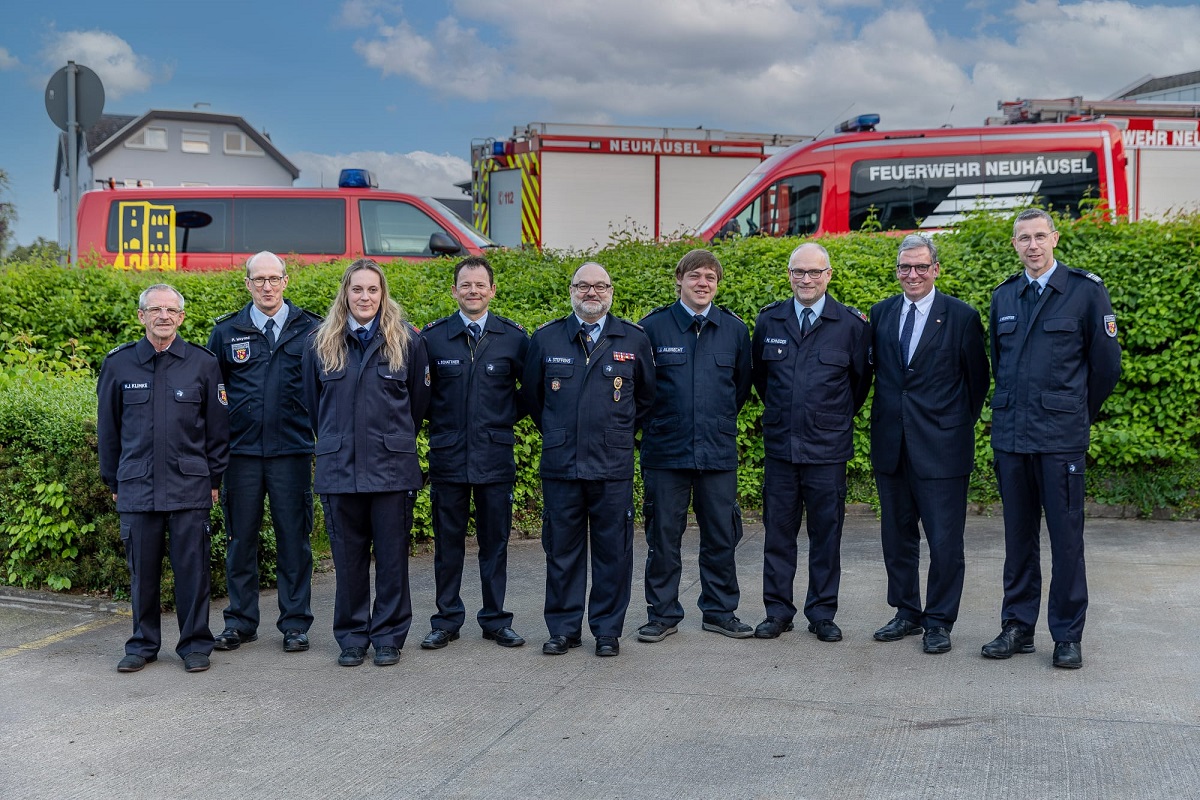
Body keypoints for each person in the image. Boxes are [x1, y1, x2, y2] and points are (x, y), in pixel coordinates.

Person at [983, 208, 1121, 669]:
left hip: (1061, 440)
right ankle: (1018, 627)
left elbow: (1106, 367)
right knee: (1018, 539)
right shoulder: (1004, 296)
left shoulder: (1085, 291)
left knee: (1066, 540)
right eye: (1024, 238)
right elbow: (996, 362)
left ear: (1055, 238)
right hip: (1012, 438)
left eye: (1040, 236)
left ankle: (1066, 634)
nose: (1033, 245)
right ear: (1014, 244)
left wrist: (1077, 413)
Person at [522, 262, 655, 657]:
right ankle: (563, 629)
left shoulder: (633, 338)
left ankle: (607, 631)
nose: (591, 292)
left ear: (611, 291)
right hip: (562, 465)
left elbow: (647, 399)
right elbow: (533, 399)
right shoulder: (546, 339)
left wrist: (617, 433)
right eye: (583, 286)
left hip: (612, 464)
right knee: (562, 550)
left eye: (599, 286)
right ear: (571, 291)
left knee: (613, 551)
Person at [302, 259, 430, 667]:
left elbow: (417, 405)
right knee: (348, 560)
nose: (365, 297)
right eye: (357, 289)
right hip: (339, 469)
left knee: (392, 559)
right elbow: (312, 406)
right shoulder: (320, 343)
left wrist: (390, 441)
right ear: (345, 293)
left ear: (382, 294)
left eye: (372, 290)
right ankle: (353, 636)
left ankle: (389, 636)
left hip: (391, 470)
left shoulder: (407, 342)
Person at [97, 284, 230, 673]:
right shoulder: (119, 364)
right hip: (136, 485)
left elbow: (218, 430)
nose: (164, 316)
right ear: (141, 316)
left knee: (193, 570)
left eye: (171, 310)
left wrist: (214, 478)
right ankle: (142, 644)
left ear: (182, 317)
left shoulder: (203, 363)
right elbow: (110, 431)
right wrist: (115, 483)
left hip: (190, 484)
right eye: (155, 309)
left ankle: (194, 646)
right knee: (143, 573)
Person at [869, 234, 990, 654]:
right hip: (892, 447)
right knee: (897, 537)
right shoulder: (880, 313)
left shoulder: (961, 316)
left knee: (943, 542)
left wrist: (949, 427)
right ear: (897, 270)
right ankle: (906, 612)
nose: (913, 274)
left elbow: (977, 384)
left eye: (921, 266)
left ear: (936, 269)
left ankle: (939, 620)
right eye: (905, 267)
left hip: (942, 448)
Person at [751, 242, 872, 643]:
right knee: (778, 535)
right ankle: (777, 611)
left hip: (827, 450)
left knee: (827, 534)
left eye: (814, 272)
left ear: (828, 276)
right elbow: (762, 381)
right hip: (782, 449)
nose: (806, 279)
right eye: (799, 272)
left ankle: (822, 613)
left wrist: (827, 419)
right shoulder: (769, 321)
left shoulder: (852, 325)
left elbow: (859, 385)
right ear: (789, 275)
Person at [636, 249, 754, 643]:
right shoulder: (651, 329)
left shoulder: (735, 330)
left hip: (717, 451)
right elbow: (639, 389)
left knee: (722, 534)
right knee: (663, 536)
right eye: (695, 276)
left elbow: (739, 389)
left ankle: (719, 611)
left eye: (710, 277)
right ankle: (663, 613)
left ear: (717, 284)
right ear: (679, 280)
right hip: (665, 451)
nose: (703, 283)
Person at [207, 252, 322, 655]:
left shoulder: (313, 329)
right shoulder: (225, 333)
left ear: (286, 281)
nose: (267, 286)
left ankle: (294, 624)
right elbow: (212, 401)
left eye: (274, 278)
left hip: (291, 452)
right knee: (241, 541)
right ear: (247, 284)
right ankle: (240, 623)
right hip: (240, 456)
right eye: (259, 280)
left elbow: (327, 393)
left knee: (295, 540)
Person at [419, 255, 529, 651]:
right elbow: (422, 397)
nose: (473, 291)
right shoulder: (431, 339)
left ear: (492, 290)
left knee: (495, 543)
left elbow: (528, 394)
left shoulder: (514, 339)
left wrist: (497, 421)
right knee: (447, 544)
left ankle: (495, 619)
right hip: (449, 457)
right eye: (465, 285)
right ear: (454, 291)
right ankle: (446, 620)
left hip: (495, 457)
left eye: (480, 285)